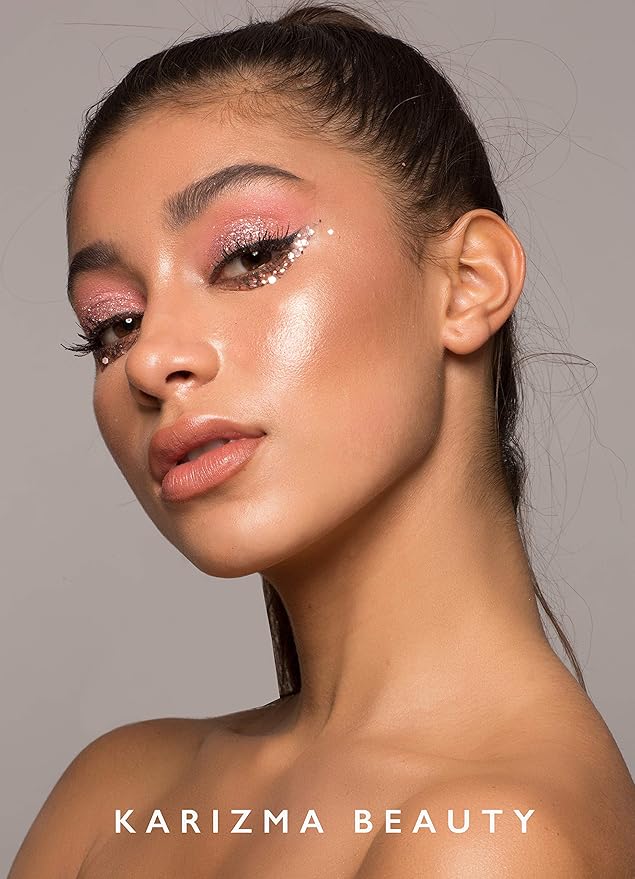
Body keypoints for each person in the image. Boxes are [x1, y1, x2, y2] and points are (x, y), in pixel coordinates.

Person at [8, 2, 634, 876]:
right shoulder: (117, 790)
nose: (148, 359)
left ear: (468, 282)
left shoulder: (486, 838)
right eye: (114, 322)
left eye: (250, 254)